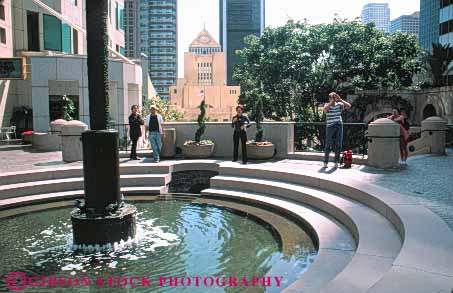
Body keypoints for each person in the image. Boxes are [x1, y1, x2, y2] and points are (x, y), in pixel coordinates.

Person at [323, 92, 351, 168]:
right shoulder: (326, 105)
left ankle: (336, 162)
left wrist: (340, 100)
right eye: (332, 98)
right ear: (329, 98)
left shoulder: (339, 105)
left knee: (338, 144)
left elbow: (349, 106)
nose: (334, 99)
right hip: (330, 126)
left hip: (339, 125)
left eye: (334, 98)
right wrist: (331, 102)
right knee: (328, 144)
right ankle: (325, 162)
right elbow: (325, 110)